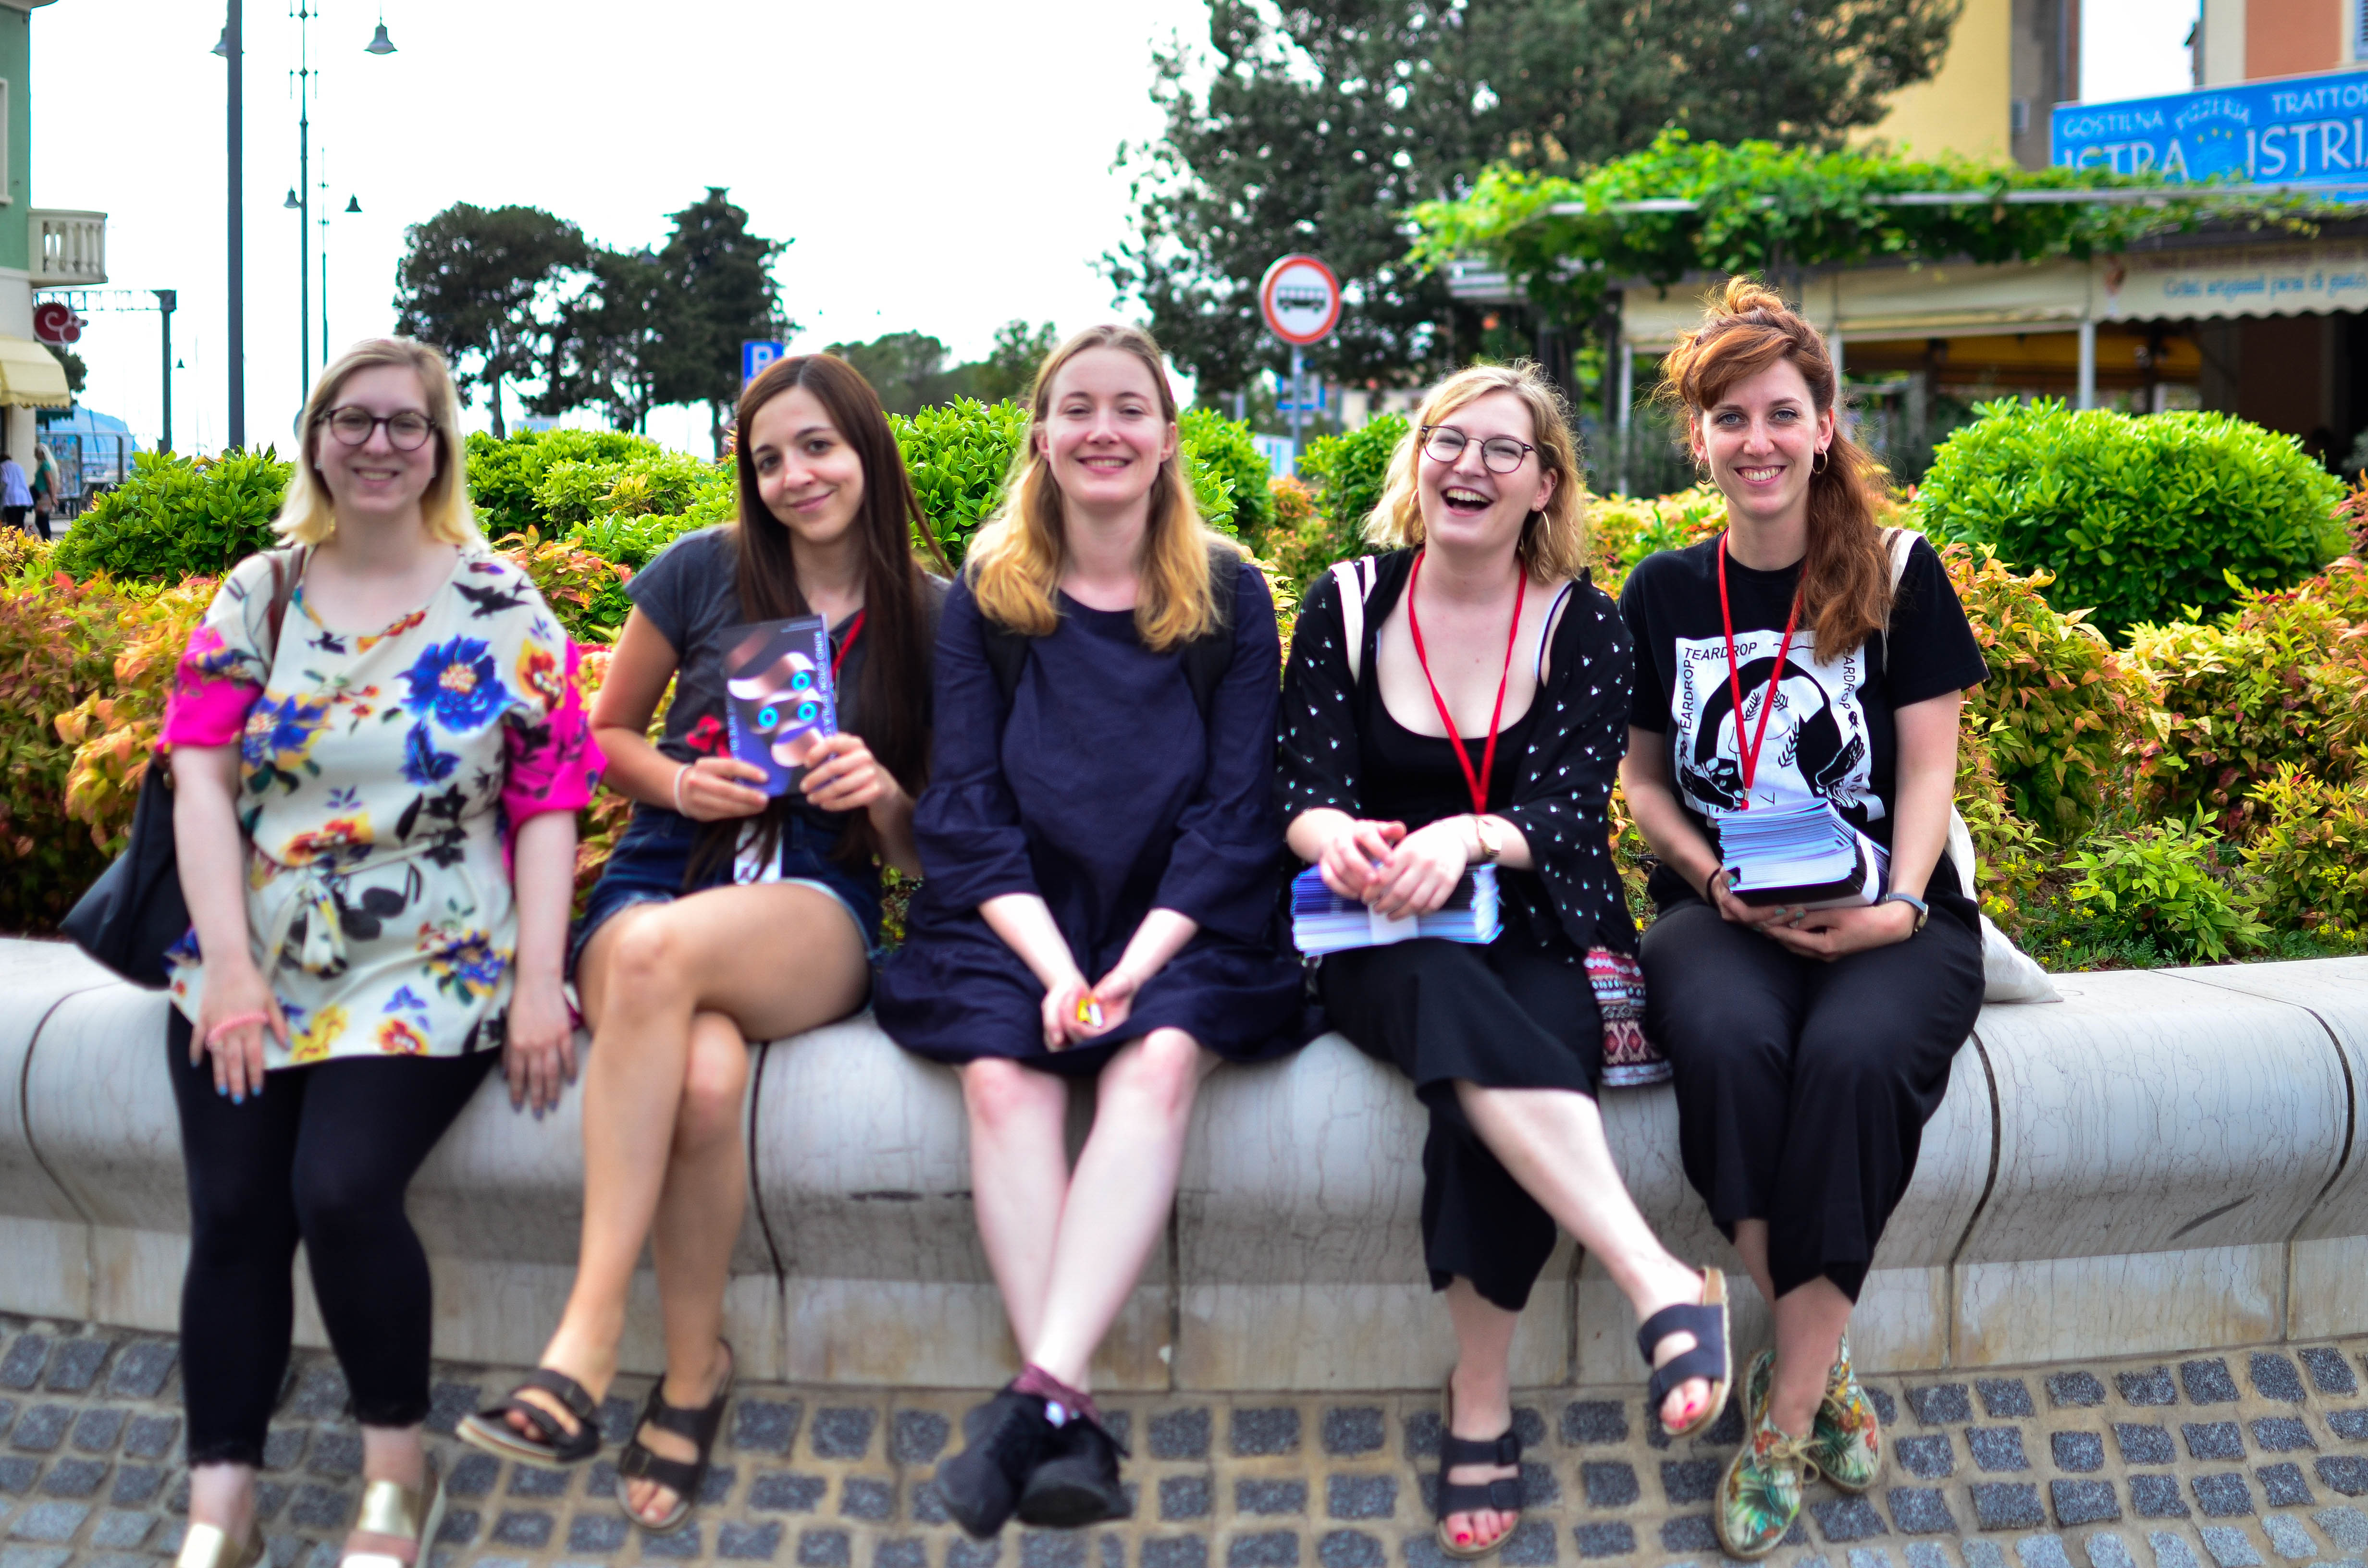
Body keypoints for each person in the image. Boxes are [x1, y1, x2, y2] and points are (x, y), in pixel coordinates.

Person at [458, 354, 949, 1533]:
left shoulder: (936, 614)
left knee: (650, 962)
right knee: (706, 1079)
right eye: (768, 459)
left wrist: (882, 792)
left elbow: (927, 852)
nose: (795, 476)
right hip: (662, 872)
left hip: (812, 901)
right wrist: (682, 783)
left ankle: (583, 1344)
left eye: (817, 447)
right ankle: (692, 1375)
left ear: (867, 449)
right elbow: (602, 738)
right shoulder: (701, 570)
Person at [1277, 361, 1732, 1561]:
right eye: (1448, 440)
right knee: (1439, 993)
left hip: (1538, 922)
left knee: (1493, 1083)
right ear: (1416, 460)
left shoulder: (1584, 622)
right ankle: (1655, 1282)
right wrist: (1342, 841)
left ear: (1545, 486)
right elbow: (1303, 791)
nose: (1469, 465)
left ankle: (1478, 1398)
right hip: (1376, 930)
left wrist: (1469, 836)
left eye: (1503, 449)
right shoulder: (1348, 602)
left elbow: (1573, 813)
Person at [157, 338, 595, 1568]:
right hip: (257, 945)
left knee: (341, 1191)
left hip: (433, 954)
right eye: (353, 420)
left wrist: (539, 981)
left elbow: (549, 803)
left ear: (440, 449)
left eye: (407, 424)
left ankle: (398, 1481)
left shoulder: (502, 605)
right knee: (233, 1210)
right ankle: (221, 1507)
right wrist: (229, 965)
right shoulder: (260, 593)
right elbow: (201, 780)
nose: (379, 445)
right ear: (316, 440)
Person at [872, 324, 1307, 1537]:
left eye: (1129, 408)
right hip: (1019, 916)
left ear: (1168, 438)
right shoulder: (988, 596)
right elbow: (964, 807)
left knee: (1154, 1064)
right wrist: (1063, 971)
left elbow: (1237, 814)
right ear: (1043, 436)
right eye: (1077, 408)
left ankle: (1035, 1406)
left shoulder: (1230, 595)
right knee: (1001, 1080)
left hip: (1185, 917)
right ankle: (1066, 1420)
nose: (1103, 429)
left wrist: (1131, 970)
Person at [1616, 279, 1988, 1559]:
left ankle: (1780, 1417)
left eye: (1783, 413)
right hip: (1721, 907)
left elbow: (1929, 771)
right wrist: (1708, 878)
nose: (1758, 440)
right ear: (1700, 439)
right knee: (1727, 1045)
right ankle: (1824, 1356)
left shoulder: (1897, 573)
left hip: (1895, 903)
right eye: (1731, 418)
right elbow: (1645, 784)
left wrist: (1898, 903)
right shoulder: (1665, 592)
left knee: (1856, 1059)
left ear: (1826, 427)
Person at [29, 443, 55, 540]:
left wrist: (52, 497)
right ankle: (46, 539)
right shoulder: (45, 464)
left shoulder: (45, 465)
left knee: (42, 520)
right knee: (41, 520)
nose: (35, 455)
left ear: (41, 453)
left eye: (36, 453)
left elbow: (49, 481)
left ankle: (47, 540)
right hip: (42, 495)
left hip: (43, 496)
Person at [1, 447, 29, 533]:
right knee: (21, 523)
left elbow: (4, 481)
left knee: (12, 524)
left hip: (10, 499)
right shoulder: (18, 466)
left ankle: (13, 540)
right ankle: (23, 539)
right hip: (23, 498)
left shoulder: (2, 466)